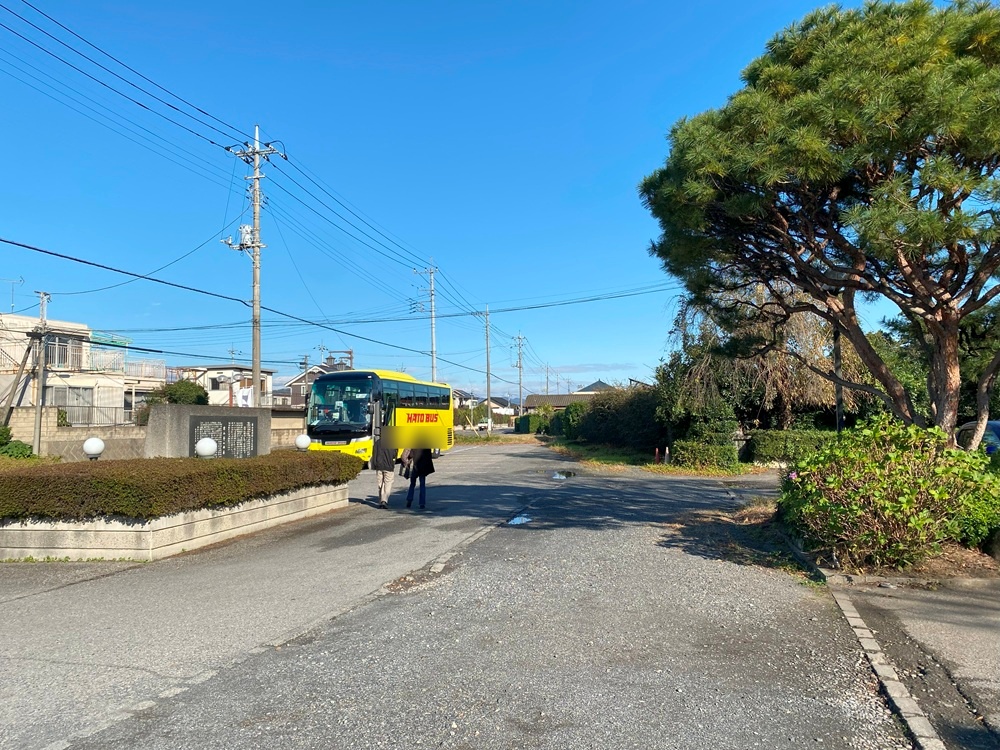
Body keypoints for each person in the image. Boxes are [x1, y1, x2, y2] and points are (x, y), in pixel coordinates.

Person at [372, 435, 395, 509]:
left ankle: (381, 499)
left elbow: (374, 454)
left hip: (379, 466)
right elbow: (394, 454)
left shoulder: (377, 443)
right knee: (387, 483)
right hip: (389, 466)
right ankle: (384, 500)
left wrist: (375, 464)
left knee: (380, 483)